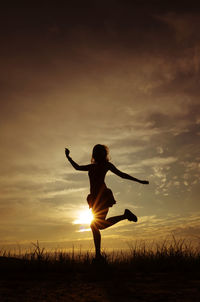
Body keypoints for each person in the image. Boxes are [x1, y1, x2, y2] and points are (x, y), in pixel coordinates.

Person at [65, 144, 149, 259]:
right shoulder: (92, 166)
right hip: (94, 198)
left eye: (100, 152)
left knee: (95, 225)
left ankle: (98, 255)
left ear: (103, 154)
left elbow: (122, 175)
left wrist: (139, 181)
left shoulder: (107, 165)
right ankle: (124, 216)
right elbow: (77, 167)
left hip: (103, 197)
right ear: (94, 154)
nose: (97, 154)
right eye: (96, 152)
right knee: (96, 225)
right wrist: (68, 157)